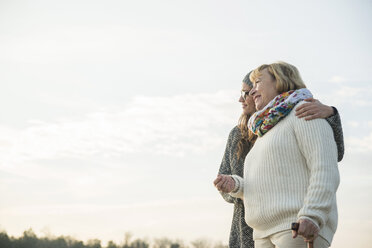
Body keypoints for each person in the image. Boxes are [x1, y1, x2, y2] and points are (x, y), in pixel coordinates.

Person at [215, 62, 341, 248]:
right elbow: (266, 181)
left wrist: (312, 215)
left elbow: (325, 167)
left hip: (294, 227)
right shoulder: (264, 129)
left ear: (280, 82)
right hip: (261, 233)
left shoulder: (305, 112)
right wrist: (236, 185)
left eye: (257, 83)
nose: (249, 94)